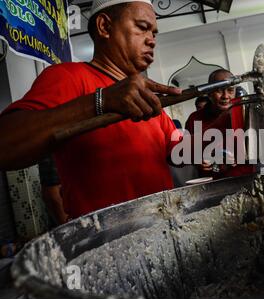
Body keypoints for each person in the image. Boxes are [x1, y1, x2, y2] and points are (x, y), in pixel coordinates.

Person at [0, 0, 183, 220]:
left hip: (162, 229)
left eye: (154, 33)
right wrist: (100, 100)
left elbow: (179, 151)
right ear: (104, 26)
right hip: (105, 244)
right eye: (142, 27)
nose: (152, 40)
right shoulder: (68, 77)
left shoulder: (146, 99)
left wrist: (220, 142)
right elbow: (5, 145)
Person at [185, 69, 254, 179]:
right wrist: (197, 161)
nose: (225, 96)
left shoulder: (245, 114)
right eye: (219, 90)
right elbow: (187, 152)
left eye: (230, 90)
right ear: (209, 92)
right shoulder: (195, 119)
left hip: (244, 178)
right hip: (211, 183)